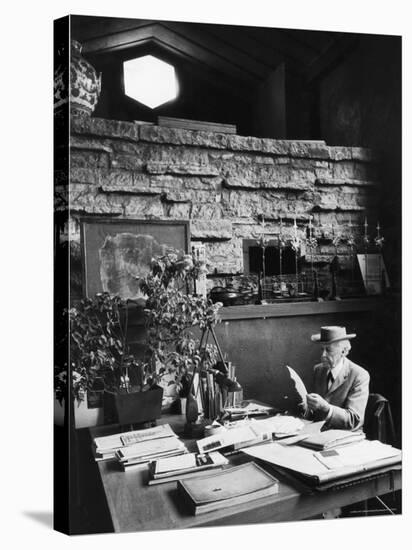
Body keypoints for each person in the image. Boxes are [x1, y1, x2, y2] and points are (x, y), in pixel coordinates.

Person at [305, 326, 370, 430]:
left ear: (343, 351)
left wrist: (326, 408)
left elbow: (354, 420)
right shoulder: (318, 370)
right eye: (322, 349)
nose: (323, 355)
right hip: (320, 434)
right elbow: (313, 413)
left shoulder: (359, 375)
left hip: (346, 437)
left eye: (328, 350)